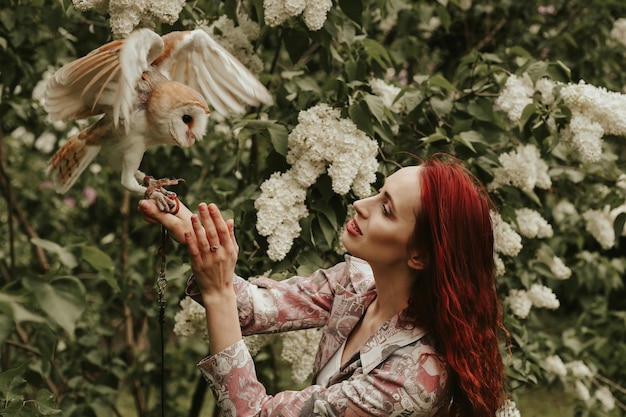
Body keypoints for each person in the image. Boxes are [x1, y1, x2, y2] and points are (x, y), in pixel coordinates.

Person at [139, 155, 508, 417]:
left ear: (420, 255)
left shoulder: (411, 379)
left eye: (387, 209)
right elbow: (257, 306)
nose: (361, 204)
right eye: (378, 192)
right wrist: (192, 227)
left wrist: (217, 290)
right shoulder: (358, 283)